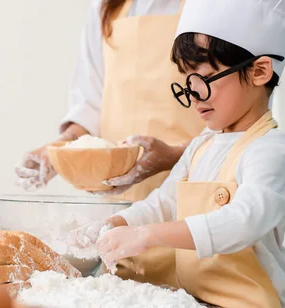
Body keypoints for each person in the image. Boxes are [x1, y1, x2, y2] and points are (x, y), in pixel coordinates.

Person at [73, 0, 285, 307]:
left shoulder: (270, 149)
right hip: (200, 299)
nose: (194, 94)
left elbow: (244, 220)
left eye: (205, 78)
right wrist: (119, 222)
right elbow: (165, 201)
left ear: (259, 71)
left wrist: (148, 235)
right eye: (188, 80)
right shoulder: (204, 143)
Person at [15, 0, 205, 288]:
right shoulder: (107, 9)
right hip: (118, 218)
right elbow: (90, 108)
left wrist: (173, 156)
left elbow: (236, 116)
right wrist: (60, 150)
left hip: (197, 204)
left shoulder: (212, 7)